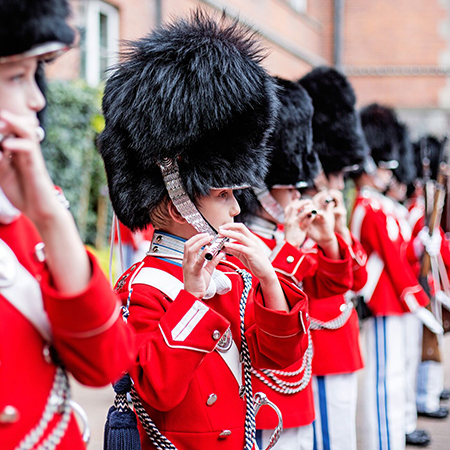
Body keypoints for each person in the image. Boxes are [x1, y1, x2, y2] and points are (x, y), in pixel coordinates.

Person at [96, 12, 310, 450]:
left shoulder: (232, 273)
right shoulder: (141, 287)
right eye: (223, 193)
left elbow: (281, 359)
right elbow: (158, 388)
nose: (236, 206)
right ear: (177, 199)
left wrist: (268, 277)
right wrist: (191, 297)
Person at [0, 1, 136, 449]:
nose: (38, 97)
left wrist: (50, 220)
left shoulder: (28, 218)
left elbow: (105, 361)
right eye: (16, 76)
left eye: (35, 72)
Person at [235, 76, 354, 450]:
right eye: (288, 185)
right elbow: (264, 307)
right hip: (263, 396)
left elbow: (333, 286)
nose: (295, 192)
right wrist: (290, 247)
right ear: (259, 186)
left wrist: (330, 240)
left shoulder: (285, 234)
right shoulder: (242, 241)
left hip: (298, 390)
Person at [350, 104, 434, 450]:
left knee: (393, 374)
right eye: (383, 166)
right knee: (384, 380)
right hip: (383, 302)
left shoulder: (377, 206)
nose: (388, 173)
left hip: (391, 302)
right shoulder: (370, 208)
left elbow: (399, 254)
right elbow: (393, 261)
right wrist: (416, 296)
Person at [299, 66, 368, 450]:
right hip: (316, 345)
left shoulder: (328, 207)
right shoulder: (297, 215)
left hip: (341, 337)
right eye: (336, 171)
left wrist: (337, 233)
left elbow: (356, 278)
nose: (341, 181)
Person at [385, 122, 431, 447]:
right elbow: (396, 257)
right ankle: (400, 423)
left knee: (408, 360)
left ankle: (405, 419)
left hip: (407, 295)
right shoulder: (381, 211)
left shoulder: (396, 211)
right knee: (394, 369)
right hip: (395, 298)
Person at [407, 135, 450, 421]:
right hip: (418, 283)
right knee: (423, 344)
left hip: (430, 281)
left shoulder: (431, 200)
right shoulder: (416, 207)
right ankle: (425, 397)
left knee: (433, 338)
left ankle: (430, 393)